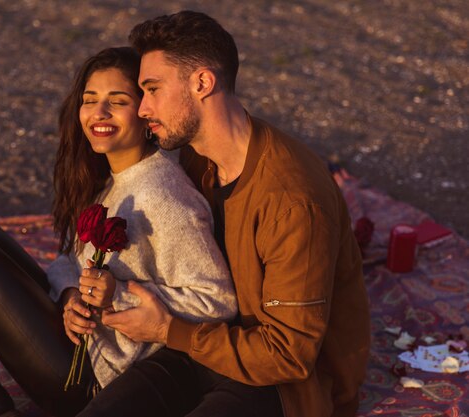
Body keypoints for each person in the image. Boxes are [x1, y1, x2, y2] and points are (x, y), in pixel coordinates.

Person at [0, 47, 237, 417]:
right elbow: (69, 258)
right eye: (90, 99)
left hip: (95, 376)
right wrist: (68, 294)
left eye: (118, 101)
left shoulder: (163, 197)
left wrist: (121, 298)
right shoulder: (113, 179)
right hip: (76, 335)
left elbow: (218, 300)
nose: (99, 111)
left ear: (146, 111)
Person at [77, 11, 370, 417]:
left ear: (202, 82)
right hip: (205, 347)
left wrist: (166, 329)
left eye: (152, 89)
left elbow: (289, 357)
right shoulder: (199, 159)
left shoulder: (292, 198)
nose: (143, 108)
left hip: (287, 387)